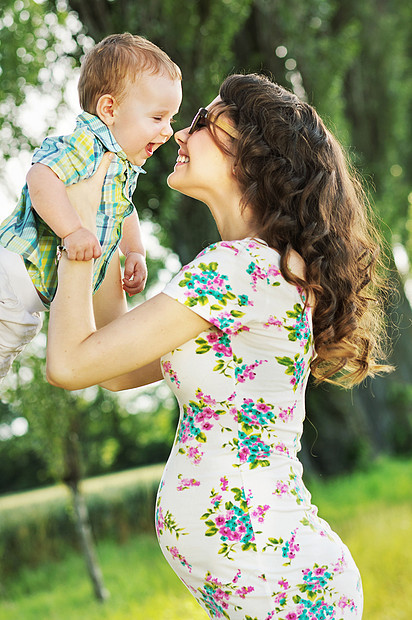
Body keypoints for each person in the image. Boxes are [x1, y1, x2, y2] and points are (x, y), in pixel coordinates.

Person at [46, 73, 390, 619]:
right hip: (269, 583)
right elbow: (110, 368)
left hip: (277, 586)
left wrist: (74, 241)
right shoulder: (252, 268)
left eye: (203, 121)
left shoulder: (239, 271)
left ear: (253, 157)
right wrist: (106, 237)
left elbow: (67, 364)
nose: (181, 134)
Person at [0, 33, 182, 380]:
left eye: (171, 119)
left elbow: (124, 210)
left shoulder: (121, 165)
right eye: (158, 118)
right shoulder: (87, 146)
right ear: (109, 109)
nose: (167, 132)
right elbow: (41, 178)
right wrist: (72, 229)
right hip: (9, 279)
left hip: (24, 304)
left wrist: (135, 252)